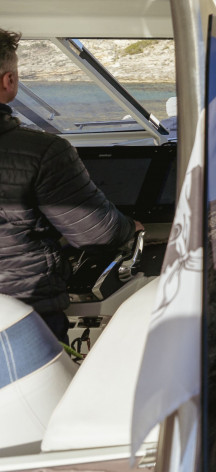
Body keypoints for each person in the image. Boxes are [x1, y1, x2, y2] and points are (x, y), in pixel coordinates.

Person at [0, 28, 139, 342]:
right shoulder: (43, 153)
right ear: (9, 82)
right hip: (20, 320)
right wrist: (131, 227)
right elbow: (97, 233)